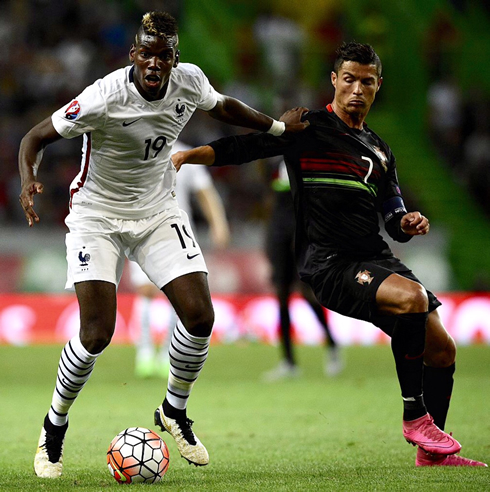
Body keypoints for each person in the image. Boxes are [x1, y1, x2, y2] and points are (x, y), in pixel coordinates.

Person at [18, 11, 307, 478]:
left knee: (201, 315)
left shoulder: (189, 83)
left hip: (157, 212)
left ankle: (173, 410)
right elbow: (35, 138)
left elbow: (226, 107)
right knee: (97, 333)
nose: (155, 63)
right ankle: (54, 427)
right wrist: (28, 180)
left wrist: (276, 129)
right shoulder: (103, 96)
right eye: (147, 53)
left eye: (164, 55)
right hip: (97, 217)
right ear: (134, 54)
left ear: (175, 58)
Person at [171, 42, 487, 467]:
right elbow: (246, 148)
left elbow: (392, 216)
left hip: (374, 259)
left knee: (444, 349)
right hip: (329, 264)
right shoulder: (308, 128)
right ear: (335, 80)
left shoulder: (379, 150)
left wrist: (407, 222)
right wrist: (191, 156)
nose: (358, 89)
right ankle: (415, 416)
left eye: (367, 81)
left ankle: (433, 454)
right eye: (350, 79)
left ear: (378, 87)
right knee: (412, 298)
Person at [130, 139, 230, 379]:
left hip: (176, 234)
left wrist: (218, 223)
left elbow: (205, 192)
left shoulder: (184, 153)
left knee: (179, 296)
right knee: (146, 291)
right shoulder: (134, 147)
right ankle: (144, 351)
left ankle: (166, 353)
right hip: (139, 230)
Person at [263, 159, 343, 381]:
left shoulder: (308, 161)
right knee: (281, 296)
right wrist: (269, 242)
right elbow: (272, 203)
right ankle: (288, 362)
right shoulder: (273, 163)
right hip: (279, 235)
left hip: (301, 234)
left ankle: (331, 344)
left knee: (307, 292)